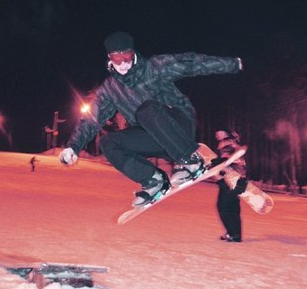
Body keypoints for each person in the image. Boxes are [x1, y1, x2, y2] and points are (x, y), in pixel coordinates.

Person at [60, 31, 243, 206]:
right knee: (108, 142)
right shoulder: (110, 89)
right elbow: (92, 118)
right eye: (117, 58)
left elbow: (191, 63)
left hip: (179, 126)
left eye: (127, 57)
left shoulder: (155, 67)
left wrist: (232, 64)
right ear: (110, 58)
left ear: (133, 54)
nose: (123, 64)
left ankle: (190, 160)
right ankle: (153, 179)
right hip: (157, 139)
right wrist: (73, 146)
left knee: (146, 110)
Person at [213, 129, 248, 242]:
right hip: (234, 179)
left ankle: (234, 234)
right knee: (232, 207)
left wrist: (219, 162)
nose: (217, 135)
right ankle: (233, 233)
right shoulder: (232, 142)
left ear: (226, 133)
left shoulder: (227, 143)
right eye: (216, 133)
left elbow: (229, 158)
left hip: (230, 179)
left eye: (219, 132)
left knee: (224, 207)